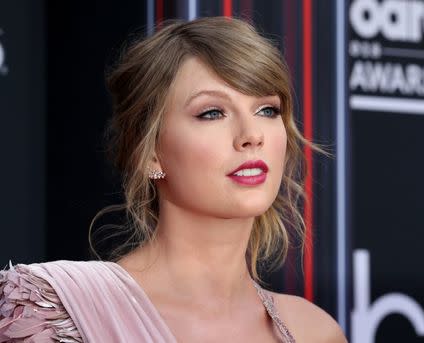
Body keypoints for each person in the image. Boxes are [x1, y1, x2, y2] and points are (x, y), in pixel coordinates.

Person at [0, 17, 347, 342]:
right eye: (212, 113)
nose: (251, 135)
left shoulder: (314, 331)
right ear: (149, 152)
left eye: (267, 110)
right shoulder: (49, 310)